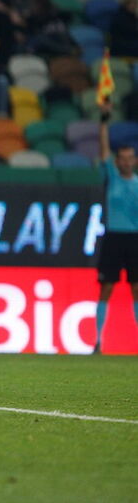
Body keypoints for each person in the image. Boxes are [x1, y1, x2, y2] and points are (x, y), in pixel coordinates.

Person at [93, 101, 138, 353]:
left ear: (134, 161)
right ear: (118, 161)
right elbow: (103, 150)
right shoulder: (110, 176)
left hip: (134, 238)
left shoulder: (137, 184)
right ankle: (98, 340)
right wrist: (104, 122)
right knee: (106, 288)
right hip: (114, 237)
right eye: (122, 159)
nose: (126, 162)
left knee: (137, 289)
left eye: (129, 159)